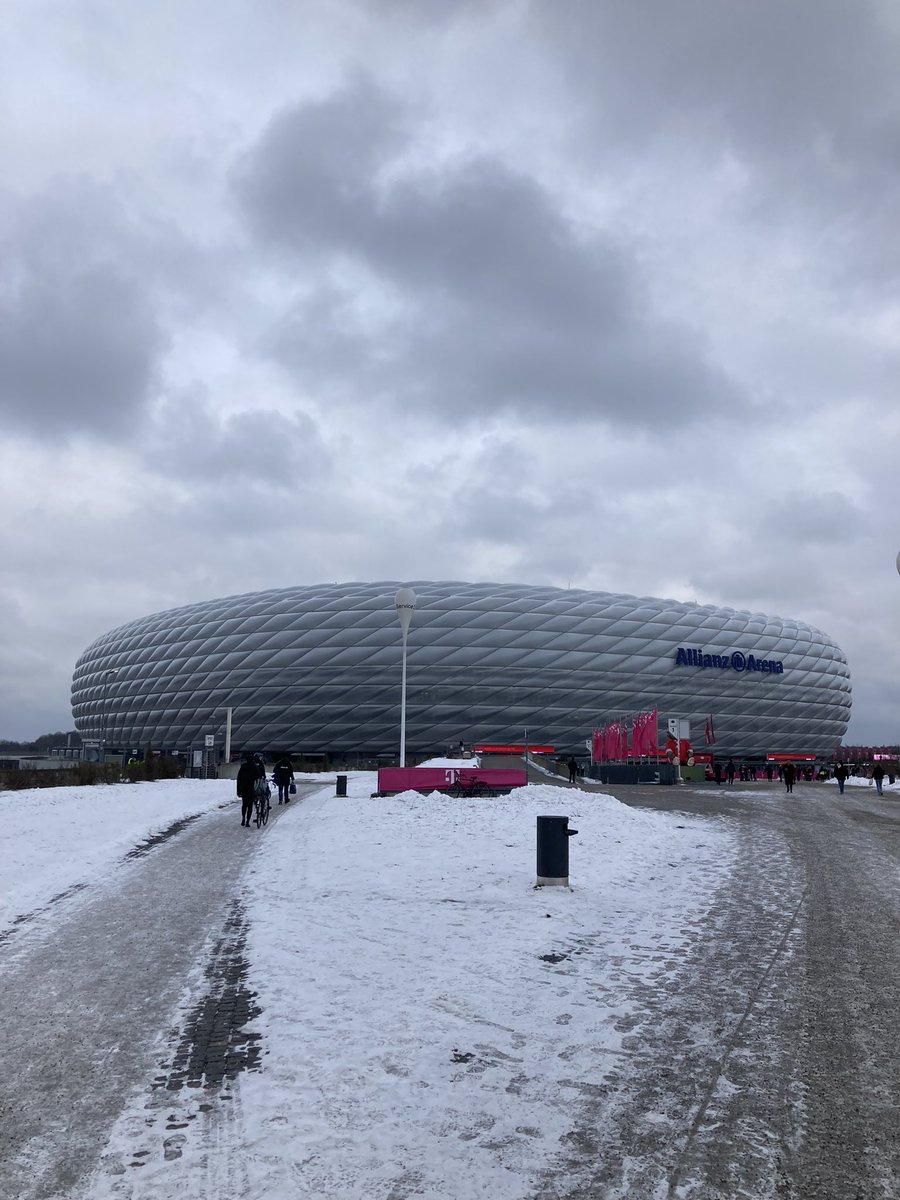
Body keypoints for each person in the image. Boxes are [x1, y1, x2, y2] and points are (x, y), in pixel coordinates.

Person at [236, 752, 262, 827]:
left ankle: (243, 818)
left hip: (243, 788)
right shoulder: (254, 767)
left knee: (244, 804)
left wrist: (238, 790)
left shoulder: (243, 767)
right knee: (250, 805)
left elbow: (239, 779)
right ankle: (247, 821)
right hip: (251, 788)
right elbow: (258, 777)